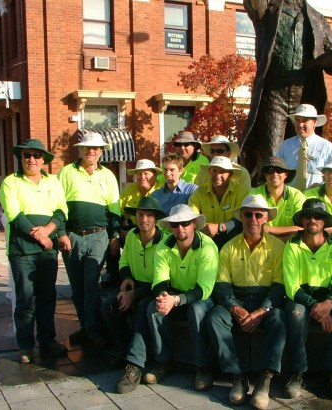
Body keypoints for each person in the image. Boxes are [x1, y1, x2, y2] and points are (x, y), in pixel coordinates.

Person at [240, 0, 332, 178]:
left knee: (299, 158)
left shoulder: (317, 19)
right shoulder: (267, 9)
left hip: (304, 98)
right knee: (272, 159)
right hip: (274, 96)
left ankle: (297, 200)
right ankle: (266, 200)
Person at [206, 195, 286, 410]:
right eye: (248, 214)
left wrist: (263, 309)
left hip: (265, 300)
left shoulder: (278, 247)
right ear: (241, 217)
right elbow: (221, 284)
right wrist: (234, 307)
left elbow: (280, 285)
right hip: (237, 298)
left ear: (266, 218)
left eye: (258, 214)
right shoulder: (228, 247)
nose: (253, 219)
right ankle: (236, 375)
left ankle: (265, 379)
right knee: (215, 318)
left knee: (280, 319)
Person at [0, 139, 69, 363]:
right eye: (27, 155)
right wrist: (39, 235)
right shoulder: (10, 183)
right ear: (21, 158)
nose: (32, 159)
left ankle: (48, 341)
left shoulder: (53, 182)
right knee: (25, 300)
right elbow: (14, 215)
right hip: (22, 251)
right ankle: (26, 346)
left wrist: (49, 230)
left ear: (43, 160)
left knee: (47, 298)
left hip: (47, 251)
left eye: (36, 156)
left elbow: (61, 211)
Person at [57, 131, 122, 348]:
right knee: (77, 288)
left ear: (102, 151)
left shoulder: (108, 176)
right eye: (87, 148)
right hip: (72, 236)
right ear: (81, 149)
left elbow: (113, 208)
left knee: (91, 284)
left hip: (98, 236)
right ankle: (86, 328)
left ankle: (94, 332)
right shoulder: (66, 172)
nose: (91, 151)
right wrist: (61, 233)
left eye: (96, 148)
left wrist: (114, 236)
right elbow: (58, 206)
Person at [143, 204, 218, 391]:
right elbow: (159, 280)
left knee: (197, 310)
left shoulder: (207, 246)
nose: (180, 228)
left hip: (201, 296)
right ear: (170, 227)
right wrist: (163, 297)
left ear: (194, 224)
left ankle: (203, 367)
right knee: (154, 307)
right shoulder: (164, 244)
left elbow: (205, 289)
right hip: (175, 293)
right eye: (175, 225)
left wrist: (175, 300)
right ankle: (163, 361)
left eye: (185, 223)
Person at [283, 198, 332, 400]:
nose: (313, 219)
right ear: (302, 221)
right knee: (296, 313)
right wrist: (317, 309)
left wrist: (328, 305)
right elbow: (291, 286)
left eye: (318, 216)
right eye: (308, 216)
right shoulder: (292, 246)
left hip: (327, 298)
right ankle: (297, 372)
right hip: (301, 298)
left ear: (324, 221)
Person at [99, 197, 168, 394]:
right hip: (135, 285)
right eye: (140, 214)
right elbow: (124, 262)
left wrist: (134, 294)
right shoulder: (131, 236)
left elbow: (162, 279)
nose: (143, 219)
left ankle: (134, 366)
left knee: (144, 310)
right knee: (108, 306)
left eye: (148, 215)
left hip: (156, 288)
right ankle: (124, 350)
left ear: (155, 218)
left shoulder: (164, 240)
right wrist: (126, 278)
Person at [188, 156, 249, 249]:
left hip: (233, 241)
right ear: (209, 172)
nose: (217, 176)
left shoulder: (241, 191)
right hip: (205, 240)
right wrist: (204, 227)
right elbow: (191, 214)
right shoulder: (199, 192)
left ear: (230, 174)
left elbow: (242, 219)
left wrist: (219, 227)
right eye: (214, 171)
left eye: (222, 171)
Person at [276, 104, 332, 190]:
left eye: (305, 121)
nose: (300, 125)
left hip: (316, 199)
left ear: (314, 122)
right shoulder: (285, 146)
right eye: (297, 120)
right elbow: (276, 172)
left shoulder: (327, 147)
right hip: (290, 199)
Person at [249, 156, 305, 240]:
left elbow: (302, 228)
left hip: (288, 242)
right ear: (265, 174)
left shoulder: (297, 196)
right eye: (270, 171)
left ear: (286, 174)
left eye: (279, 170)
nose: (275, 174)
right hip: (261, 241)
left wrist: (269, 229)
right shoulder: (254, 194)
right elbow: (250, 224)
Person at [120, 159, 164, 227]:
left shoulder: (163, 191)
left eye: (146, 173)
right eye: (139, 174)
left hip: (159, 230)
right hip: (134, 229)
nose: (142, 177)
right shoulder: (129, 190)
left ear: (154, 174)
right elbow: (119, 211)